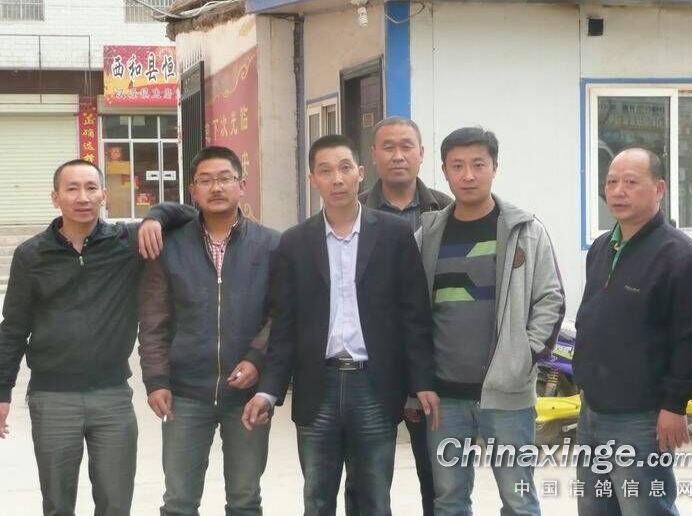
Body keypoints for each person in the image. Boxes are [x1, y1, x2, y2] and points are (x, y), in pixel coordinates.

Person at [242, 134, 440, 515]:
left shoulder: (395, 236)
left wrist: (422, 382)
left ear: (360, 173)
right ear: (312, 179)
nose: (337, 179)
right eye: (325, 171)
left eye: (345, 168)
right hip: (318, 385)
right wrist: (268, 391)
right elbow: (284, 327)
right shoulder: (295, 243)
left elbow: (414, 316)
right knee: (317, 498)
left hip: (374, 386)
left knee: (374, 499)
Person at [0, 159, 196, 515]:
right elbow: (13, 328)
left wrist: (154, 216)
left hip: (112, 397)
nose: (83, 197)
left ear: (104, 195)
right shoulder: (31, 254)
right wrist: (2, 392)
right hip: (52, 398)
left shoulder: (127, 242)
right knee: (57, 505)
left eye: (91, 188)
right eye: (72, 188)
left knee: (115, 503)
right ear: (55, 197)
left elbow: (189, 215)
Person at [417, 127, 565, 516]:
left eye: (478, 165)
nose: (468, 175)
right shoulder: (428, 235)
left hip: (507, 394)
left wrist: (524, 357)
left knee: (518, 499)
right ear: (444, 171)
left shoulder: (525, 230)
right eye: (457, 166)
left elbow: (550, 298)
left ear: (495, 167)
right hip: (445, 397)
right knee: (449, 500)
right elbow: (412, 312)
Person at [138, 146, 279, 516]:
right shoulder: (170, 245)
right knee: (179, 502)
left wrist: (257, 359)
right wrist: (156, 380)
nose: (216, 187)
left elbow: (280, 315)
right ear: (193, 190)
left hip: (246, 396)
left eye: (225, 179)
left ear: (241, 185)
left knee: (245, 500)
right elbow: (153, 319)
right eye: (206, 180)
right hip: (185, 393)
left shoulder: (270, 244)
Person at [574, 148, 692, 516]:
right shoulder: (602, 247)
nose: (618, 191)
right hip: (592, 410)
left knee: (645, 507)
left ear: (659, 189)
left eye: (631, 182)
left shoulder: (681, 256)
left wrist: (674, 405)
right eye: (611, 182)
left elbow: (691, 338)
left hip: (641, 417)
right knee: (595, 508)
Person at [351, 116, 452, 516]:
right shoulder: (353, 211)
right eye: (388, 147)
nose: (398, 155)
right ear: (373, 155)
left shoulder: (446, 210)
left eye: (406, 146)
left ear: (421, 154)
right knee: (367, 481)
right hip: (370, 368)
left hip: (432, 364)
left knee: (439, 479)